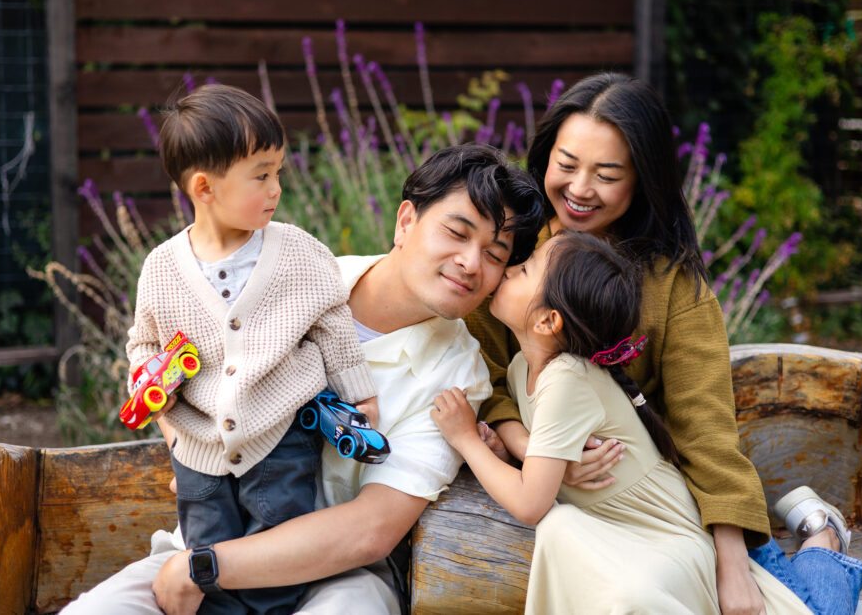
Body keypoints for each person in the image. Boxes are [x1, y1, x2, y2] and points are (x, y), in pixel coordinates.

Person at [60, 142, 545, 615]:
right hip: (208, 534)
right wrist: (193, 444)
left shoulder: (460, 376)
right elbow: (169, 363)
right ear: (405, 221)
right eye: (457, 233)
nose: (471, 262)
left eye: (495, 253)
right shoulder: (293, 275)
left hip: (336, 577)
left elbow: (369, 530)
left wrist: (204, 570)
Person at [463, 71, 862, 614]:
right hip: (567, 502)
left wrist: (731, 570)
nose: (579, 189)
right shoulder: (514, 252)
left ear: (643, 178)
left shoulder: (674, 288)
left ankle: (822, 541)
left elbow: (704, 434)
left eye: (606, 174)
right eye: (565, 166)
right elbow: (483, 372)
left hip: (663, 517)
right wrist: (536, 452)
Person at [435, 231, 862, 614]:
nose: (508, 270)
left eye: (525, 269)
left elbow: (530, 503)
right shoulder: (520, 368)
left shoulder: (567, 379)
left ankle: (822, 546)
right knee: (562, 531)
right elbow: (543, 472)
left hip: (668, 546)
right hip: (623, 540)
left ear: (548, 320)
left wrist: (466, 440)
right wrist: (505, 448)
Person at [121, 83, 379, 613]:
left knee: (276, 558)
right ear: (204, 188)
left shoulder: (299, 253)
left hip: (280, 440)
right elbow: (143, 343)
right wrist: (157, 399)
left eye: (278, 171)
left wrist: (361, 397)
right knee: (207, 553)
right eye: (261, 175)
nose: (276, 187)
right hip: (198, 452)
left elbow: (333, 324)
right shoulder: (162, 269)